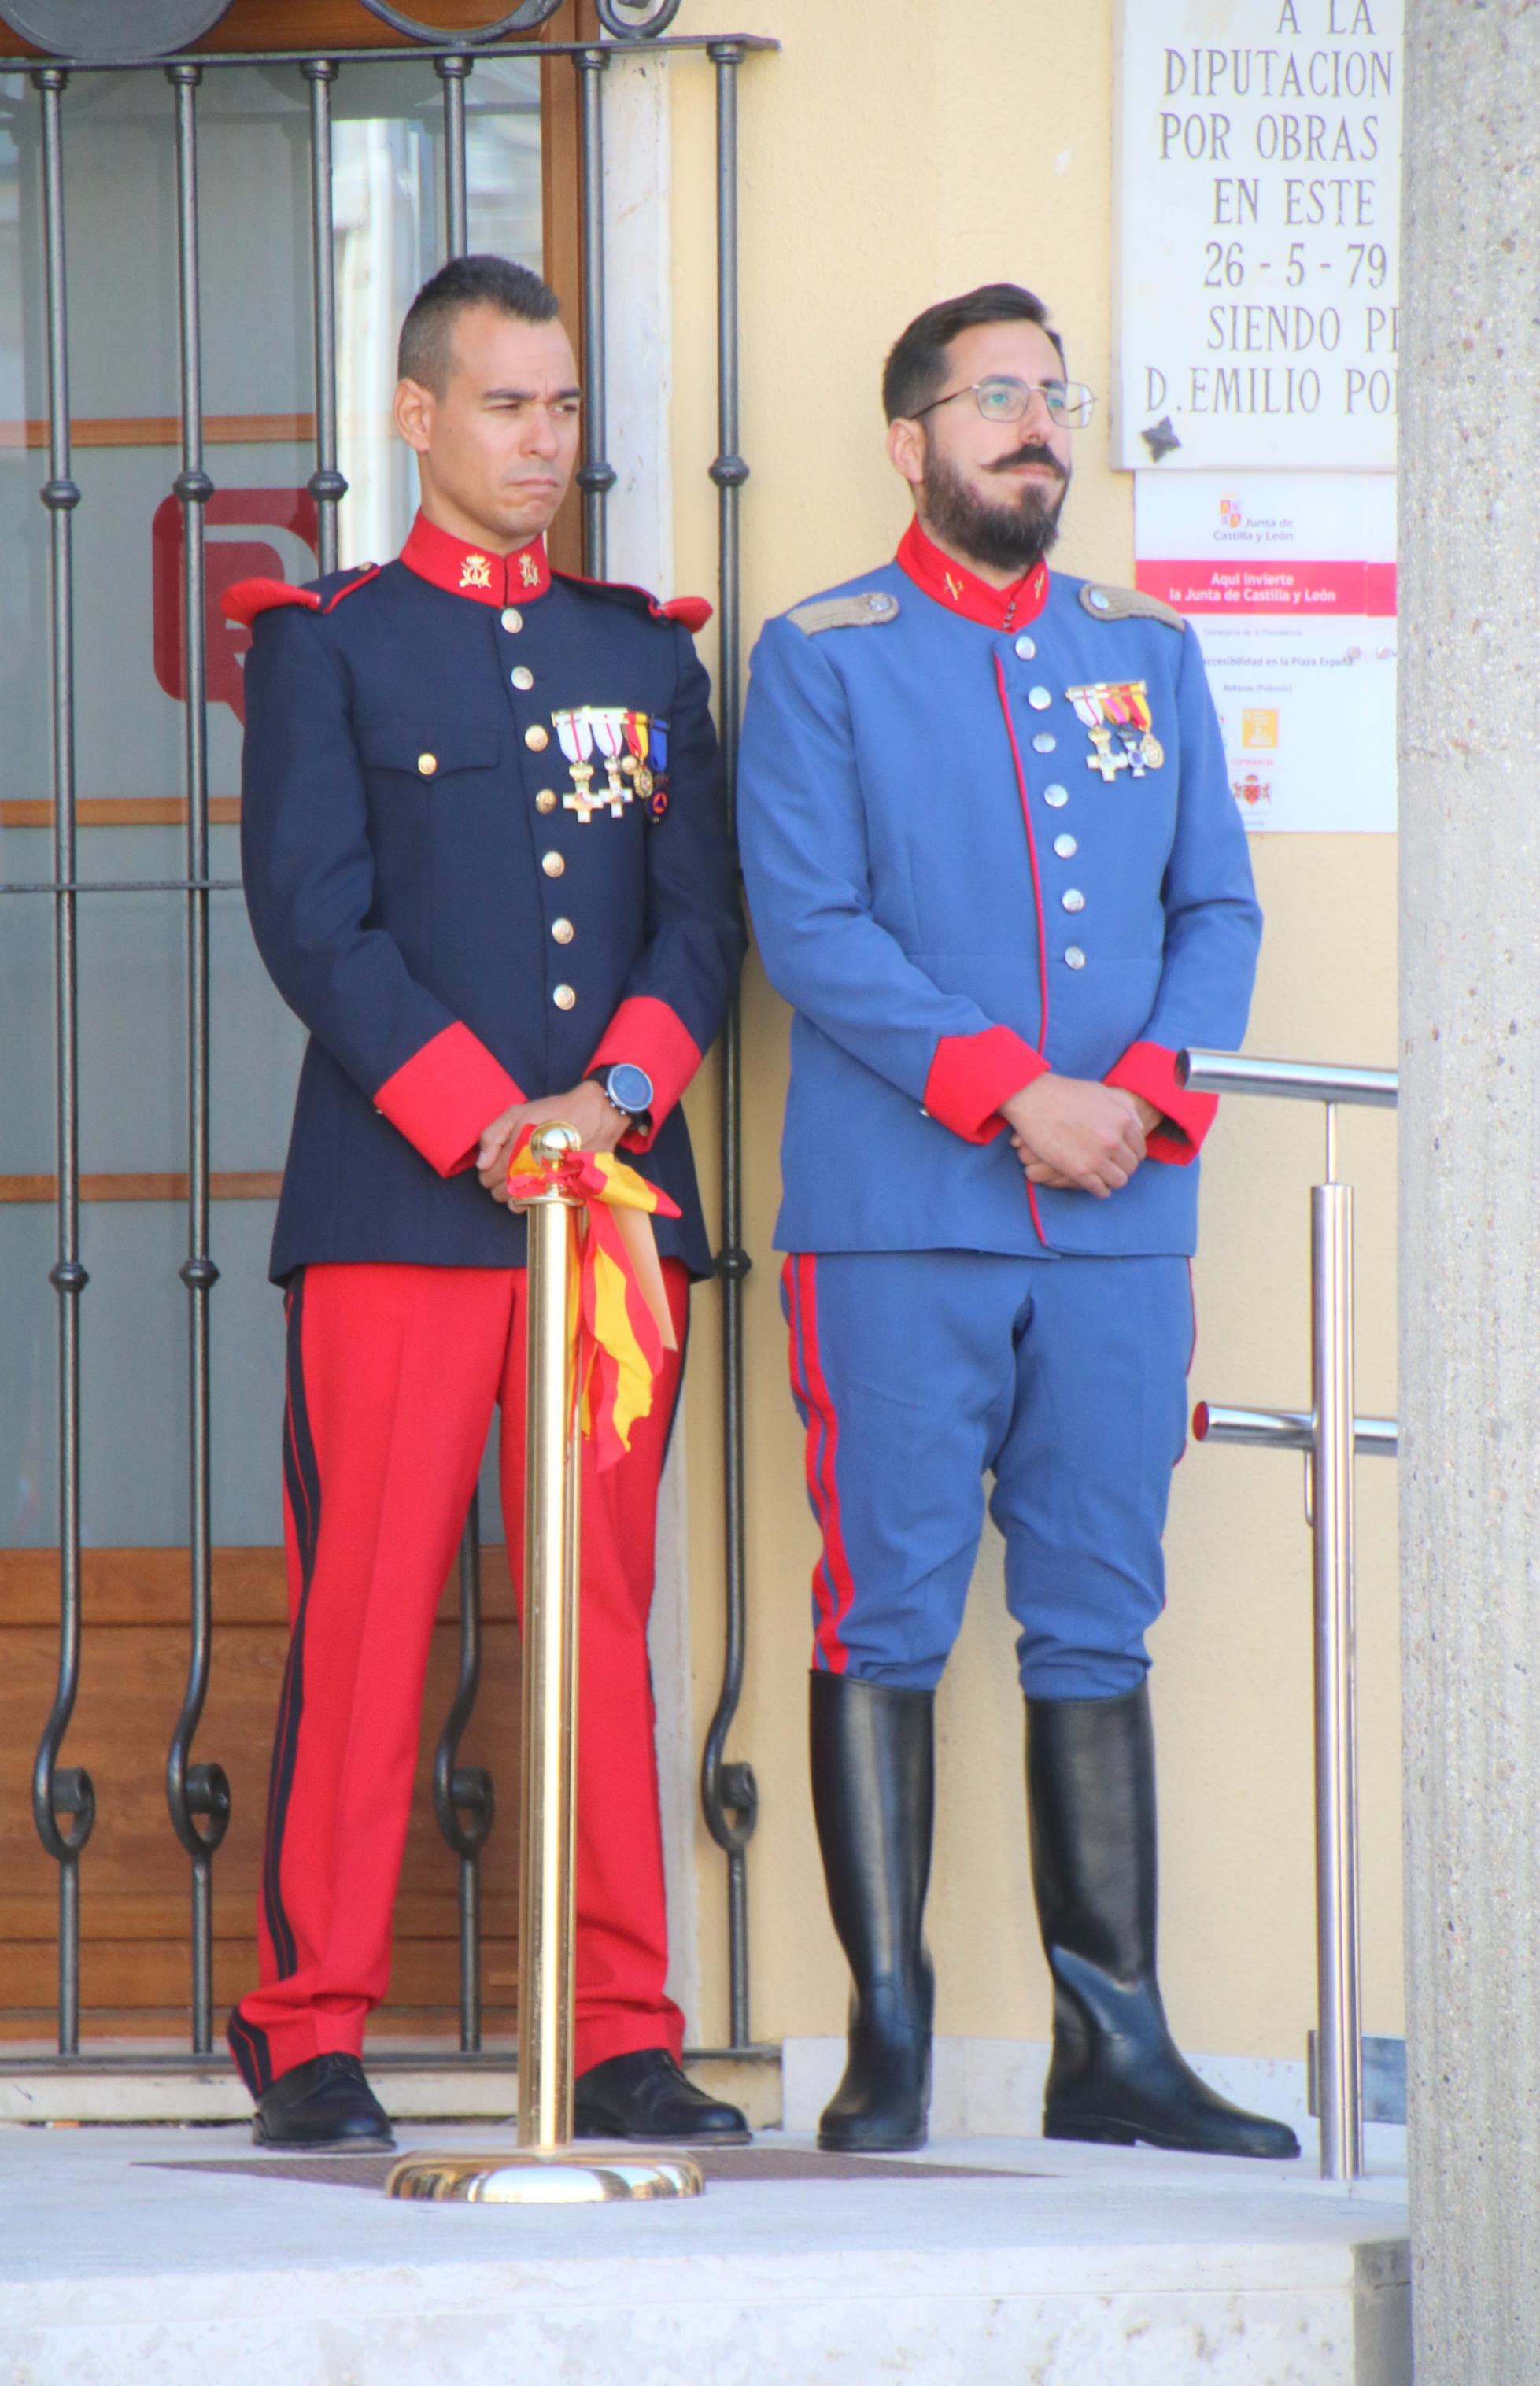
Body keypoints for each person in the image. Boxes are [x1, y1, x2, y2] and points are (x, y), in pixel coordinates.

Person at [737, 281, 1298, 2163]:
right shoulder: (823, 653)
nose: (1035, 425)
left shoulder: (1147, 644)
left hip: (1125, 1224)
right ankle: (887, 2043)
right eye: (994, 397)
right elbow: (810, 929)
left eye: (1053, 394)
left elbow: (1216, 907)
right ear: (912, 443)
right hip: (904, 1221)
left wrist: (1140, 1088)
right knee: (884, 1613)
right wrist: (1010, 1094)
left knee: (1096, 1619)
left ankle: (1112, 2044)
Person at [222, 253, 747, 2152]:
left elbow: (699, 925)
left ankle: (616, 2025)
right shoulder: (329, 642)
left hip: (608, 1205)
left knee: (596, 1611)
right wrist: (485, 1121)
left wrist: (609, 1105)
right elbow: (316, 919)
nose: (546, 442)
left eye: (567, 407)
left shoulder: (642, 653)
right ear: (419, 415)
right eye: (511, 406)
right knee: (368, 1612)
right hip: (401, 1204)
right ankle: (308, 2026)